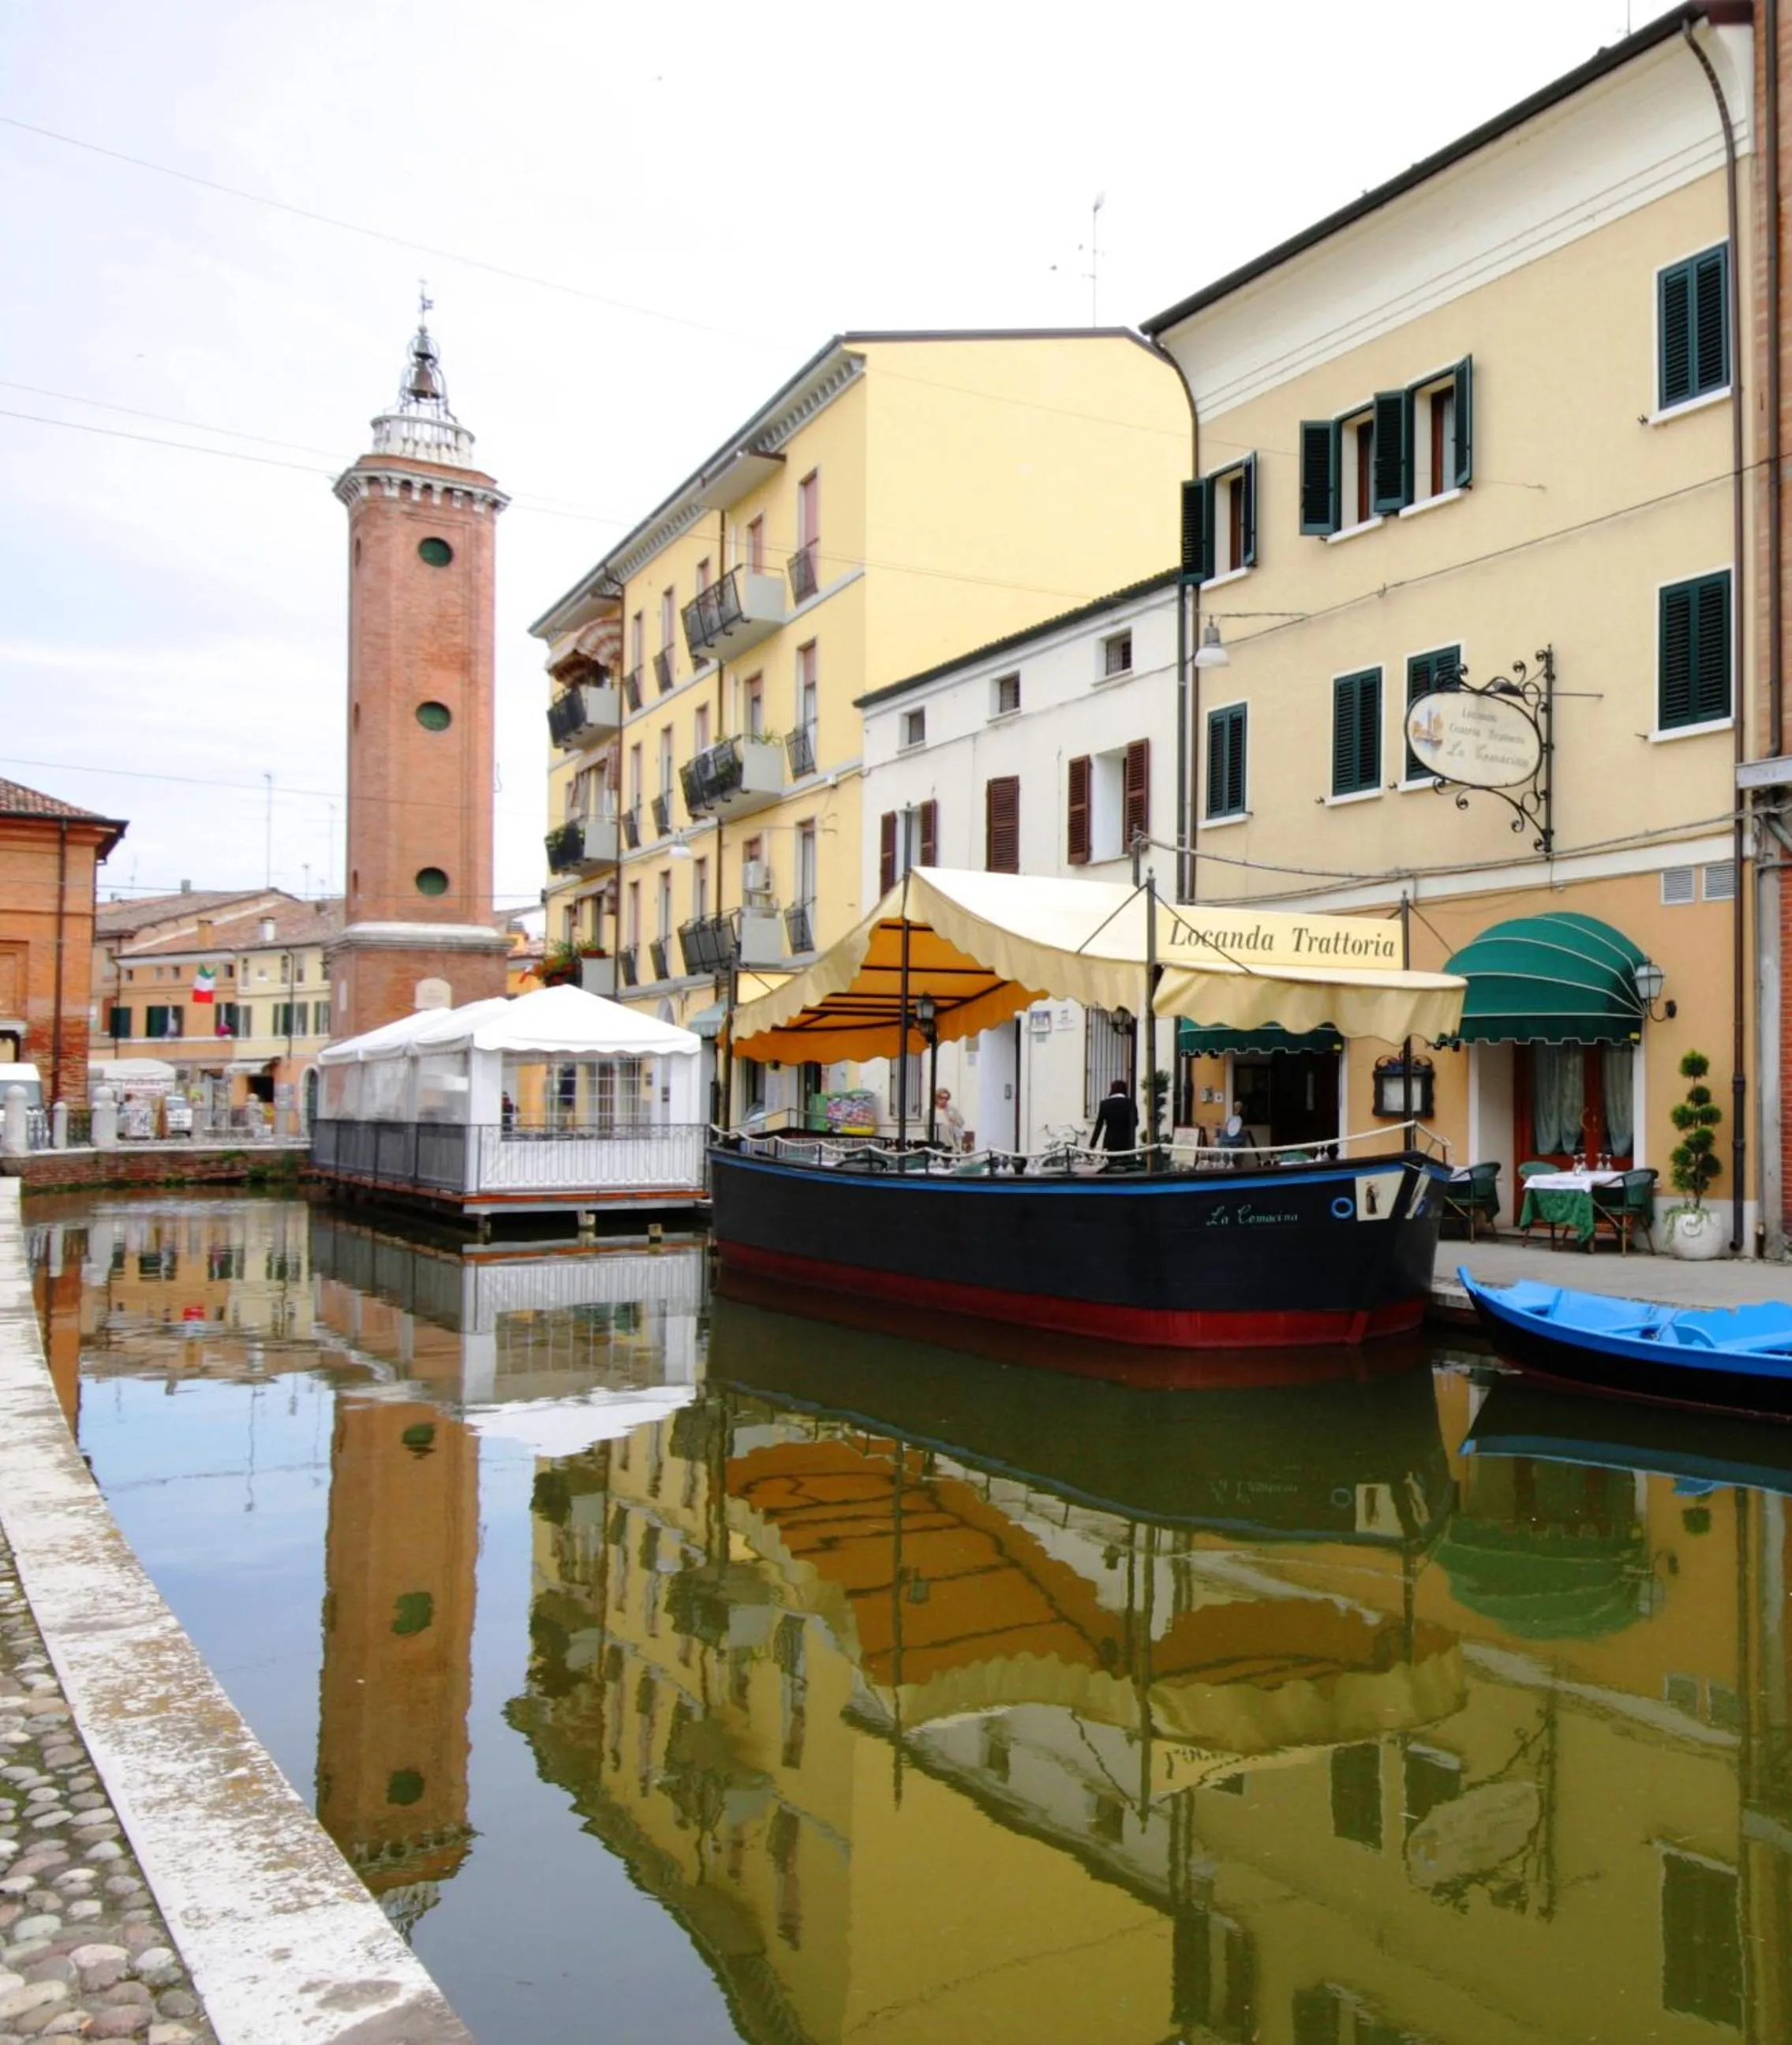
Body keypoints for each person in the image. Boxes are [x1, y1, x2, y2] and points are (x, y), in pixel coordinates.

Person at [1091, 1080, 1139, 1169]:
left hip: (1110, 1141)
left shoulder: (1104, 1104)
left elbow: (1099, 1125)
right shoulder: (1130, 1103)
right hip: (1127, 1141)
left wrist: (1092, 1144)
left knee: (1111, 1167)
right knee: (1128, 1167)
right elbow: (1135, 1122)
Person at [933, 1088, 965, 1152]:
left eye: (946, 1098)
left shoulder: (952, 1110)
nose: (944, 1100)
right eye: (942, 1098)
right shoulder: (931, 1111)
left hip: (950, 1145)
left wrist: (955, 1121)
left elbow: (961, 1122)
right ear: (937, 1098)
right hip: (936, 1145)